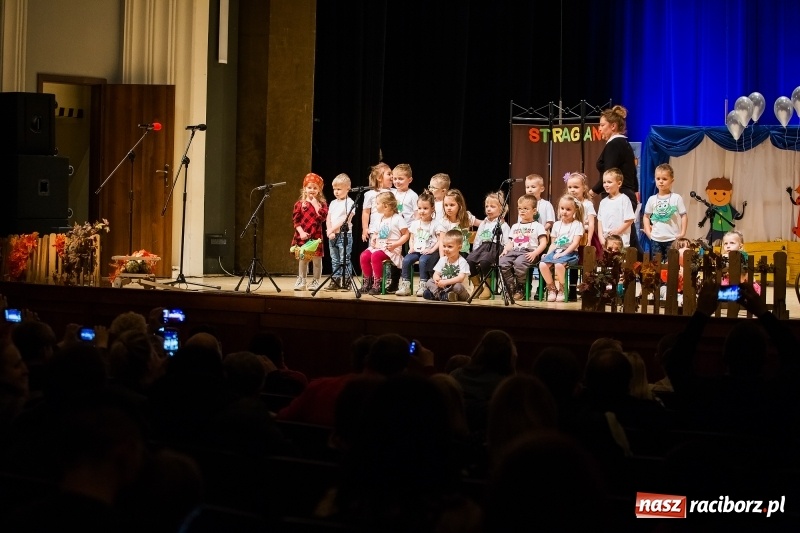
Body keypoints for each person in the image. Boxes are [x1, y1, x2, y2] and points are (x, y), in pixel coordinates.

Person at [590, 104, 640, 252]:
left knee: (624, 240)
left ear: (613, 126)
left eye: (602, 125)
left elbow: (609, 172)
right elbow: (632, 173)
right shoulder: (622, 143)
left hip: (620, 196)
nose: (599, 129)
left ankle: (643, 271)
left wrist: (592, 192)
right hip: (625, 193)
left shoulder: (615, 144)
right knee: (627, 240)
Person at [498, 194, 548, 302]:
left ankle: (521, 287)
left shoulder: (538, 226)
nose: (522, 211)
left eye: (526, 208)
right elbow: (511, 242)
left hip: (529, 252)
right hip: (515, 251)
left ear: (534, 211)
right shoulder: (515, 226)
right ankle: (511, 286)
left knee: (519, 263)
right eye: (520, 208)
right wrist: (506, 250)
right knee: (501, 262)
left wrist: (535, 253)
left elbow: (543, 243)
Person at [359, 192, 409, 295]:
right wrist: (373, 238)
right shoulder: (380, 218)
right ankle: (368, 282)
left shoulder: (398, 218)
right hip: (379, 246)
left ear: (385, 206)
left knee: (376, 256)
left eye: (377, 203)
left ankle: (378, 283)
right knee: (364, 255)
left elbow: (406, 235)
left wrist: (396, 245)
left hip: (391, 248)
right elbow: (377, 232)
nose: (375, 206)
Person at [539, 194, 584, 302]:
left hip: (570, 252)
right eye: (562, 208)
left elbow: (575, 244)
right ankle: (551, 288)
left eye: (568, 209)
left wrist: (563, 254)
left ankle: (562, 288)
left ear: (575, 210)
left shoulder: (577, 224)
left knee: (559, 265)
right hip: (556, 251)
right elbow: (553, 243)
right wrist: (548, 253)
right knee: (542, 264)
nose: (564, 211)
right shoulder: (556, 224)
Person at [467, 191, 511, 300]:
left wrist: (504, 252)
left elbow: (506, 242)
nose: (488, 209)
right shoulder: (484, 223)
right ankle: (478, 285)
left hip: (496, 248)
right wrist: (475, 251)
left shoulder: (503, 225)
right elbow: (478, 239)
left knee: (485, 262)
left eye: (492, 206)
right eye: (487, 206)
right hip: (482, 247)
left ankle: (486, 286)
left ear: (501, 209)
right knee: (468, 261)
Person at [291, 172, 328, 291]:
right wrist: (301, 232)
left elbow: (322, 217)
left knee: (317, 260)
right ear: (305, 189)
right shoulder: (299, 204)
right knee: (303, 259)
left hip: (316, 236)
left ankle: (316, 281)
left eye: (315, 188)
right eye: (309, 187)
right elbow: (296, 221)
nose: (312, 190)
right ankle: (301, 280)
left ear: (319, 190)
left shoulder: (322, 204)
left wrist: (315, 204)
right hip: (303, 235)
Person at [396, 193, 438, 296]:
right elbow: (412, 237)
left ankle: (423, 285)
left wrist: (432, 250)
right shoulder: (415, 223)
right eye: (419, 208)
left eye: (425, 208)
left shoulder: (436, 224)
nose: (422, 211)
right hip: (417, 250)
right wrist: (412, 247)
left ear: (432, 209)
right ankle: (405, 285)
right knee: (406, 259)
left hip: (429, 252)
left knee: (423, 260)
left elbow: (439, 240)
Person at [643, 163, 688, 260]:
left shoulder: (676, 198)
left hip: (672, 239)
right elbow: (646, 216)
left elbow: (683, 215)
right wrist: (648, 232)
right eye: (658, 179)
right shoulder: (652, 199)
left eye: (664, 179)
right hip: (656, 239)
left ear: (672, 181)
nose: (661, 182)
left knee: (671, 265)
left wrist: (682, 232)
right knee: (656, 265)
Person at [324, 173, 355, 291]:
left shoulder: (350, 202)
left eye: (339, 189)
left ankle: (346, 281)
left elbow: (345, 220)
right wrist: (329, 230)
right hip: (332, 235)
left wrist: (332, 229)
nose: (336, 192)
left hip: (344, 235)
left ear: (348, 188)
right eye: (334, 189)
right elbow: (329, 217)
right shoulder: (333, 203)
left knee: (344, 259)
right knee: (335, 259)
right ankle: (336, 280)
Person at [424, 229, 471, 302]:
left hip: (459, 290)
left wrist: (445, 282)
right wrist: (437, 279)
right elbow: (436, 274)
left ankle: (439, 296)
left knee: (457, 286)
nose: (446, 249)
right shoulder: (443, 260)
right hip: (445, 287)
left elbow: (460, 278)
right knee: (429, 281)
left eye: (450, 246)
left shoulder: (462, 261)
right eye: (444, 246)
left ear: (459, 247)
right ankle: (444, 296)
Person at [597, 168, 635, 248]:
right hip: (607, 242)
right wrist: (600, 237)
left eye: (609, 182)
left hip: (621, 241)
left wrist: (618, 231)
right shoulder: (603, 202)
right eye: (604, 182)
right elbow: (600, 221)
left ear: (619, 183)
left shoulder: (624, 199)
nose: (606, 185)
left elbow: (629, 220)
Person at [435, 189, 478, 259]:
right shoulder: (444, 222)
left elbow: (482, 223)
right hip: (449, 253)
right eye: (446, 205)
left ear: (459, 205)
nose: (448, 208)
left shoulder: (466, 217)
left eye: (452, 205)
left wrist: (496, 221)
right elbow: (441, 242)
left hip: (463, 252)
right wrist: (442, 259)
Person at [566, 172, 599, 257]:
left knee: (584, 259)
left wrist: (589, 240)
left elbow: (591, 224)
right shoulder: (567, 204)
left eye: (576, 187)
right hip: (571, 235)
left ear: (584, 188)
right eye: (570, 187)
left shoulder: (587, 204)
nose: (572, 190)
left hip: (585, 235)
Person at [361, 162, 393, 243]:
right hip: (375, 230)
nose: (392, 176)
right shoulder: (370, 194)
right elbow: (366, 212)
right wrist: (365, 228)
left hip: (391, 230)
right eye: (389, 174)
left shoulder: (394, 192)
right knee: (374, 251)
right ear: (379, 178)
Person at [720, 230, 761, 294]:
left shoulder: (743, 255)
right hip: (729, 280)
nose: (728, 246)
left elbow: (745, 271)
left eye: (732, 243)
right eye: (726, 243)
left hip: (743, 280)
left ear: (740, 246)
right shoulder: (724, 256)